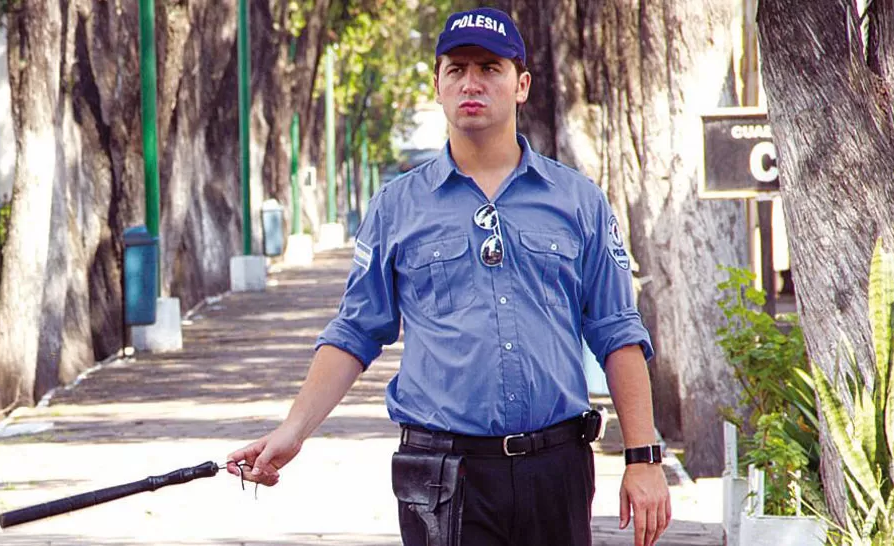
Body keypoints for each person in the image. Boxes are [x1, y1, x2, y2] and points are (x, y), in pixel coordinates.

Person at [227, 6, 670, 546]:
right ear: (436, 84)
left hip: (555, 469)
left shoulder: (578, 201)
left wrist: (643, 458)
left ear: (521, 84)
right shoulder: (396, 207)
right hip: (440, 477)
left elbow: (617, 331)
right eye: (456, 69)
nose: (472, 83)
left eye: (490, 68)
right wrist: (292, 432)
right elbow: (355, 331)